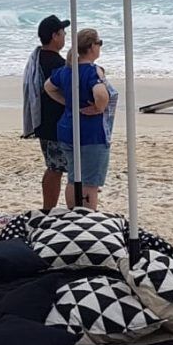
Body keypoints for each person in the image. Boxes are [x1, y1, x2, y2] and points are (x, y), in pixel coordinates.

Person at [44, 28, 110, 209]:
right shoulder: (92, 71)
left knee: (74, 177)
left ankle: (73, 215)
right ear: (91, 47)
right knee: (90, 182)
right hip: (90, 132)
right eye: (99, 43)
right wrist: (98, 107)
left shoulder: (66, 70)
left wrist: (68, 102)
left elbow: (48, 87)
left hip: (67, 129)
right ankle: (87, 219)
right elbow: (101, 95)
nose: (100, 47)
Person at [23, 15, 70, 208]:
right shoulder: (55, 64)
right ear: (54, 36)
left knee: (54, 167)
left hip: (43, 121)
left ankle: (48, 208)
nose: (65, 36)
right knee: (55, 168)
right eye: (62, 32)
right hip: (54, 123)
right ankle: (48, 208)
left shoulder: (38, 58)